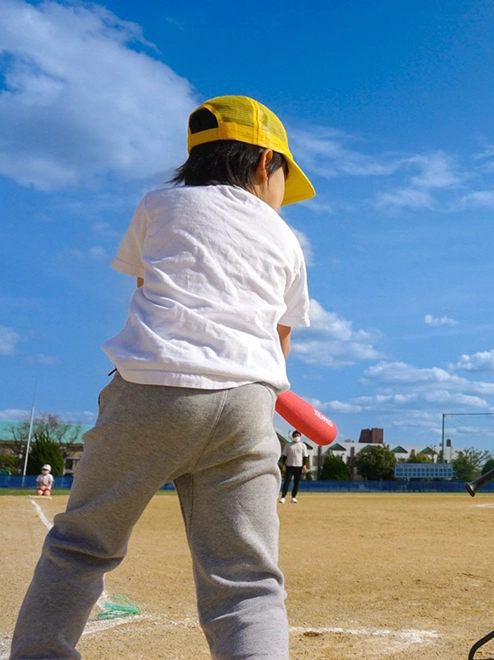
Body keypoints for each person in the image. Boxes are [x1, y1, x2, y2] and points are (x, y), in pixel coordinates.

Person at [11, 96, 315, 660]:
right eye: (283, 179)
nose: (281, 195)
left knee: (82, 548)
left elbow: (145, 290)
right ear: (262, 163)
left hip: (152, 390)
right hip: (250, 400)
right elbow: (282, 337)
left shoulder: (157, 205)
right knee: (246, 582)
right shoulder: (286, 240)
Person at [280, 430, 308, 503]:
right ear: (293, 437)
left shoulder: (303, 445)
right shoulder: (288, 445)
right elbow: (284, 455)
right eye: (295, 435)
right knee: (287, 482)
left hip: (299, 466)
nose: (297, 437)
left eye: (298, 436)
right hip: (290, 466)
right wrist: (283, 464)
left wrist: (304, 465)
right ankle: (283, 497)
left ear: (300, 437)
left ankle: (293, 497)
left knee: (296, 482)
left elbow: (305, 456)